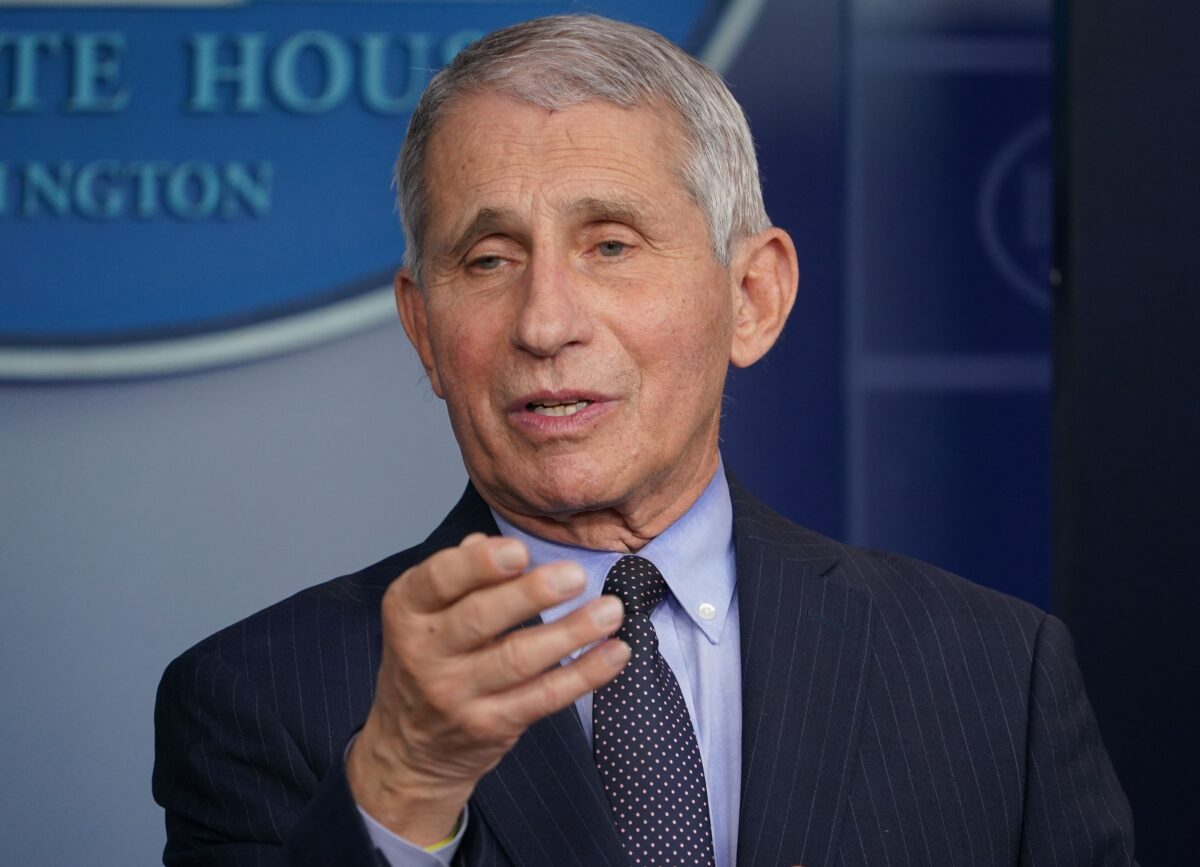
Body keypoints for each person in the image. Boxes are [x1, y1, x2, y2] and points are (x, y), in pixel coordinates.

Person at [153, 14, 1136, 867]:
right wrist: (403, 789)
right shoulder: (256, 698)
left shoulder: (995, 676)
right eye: (489, 260)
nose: (546, 323)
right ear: (423, 331)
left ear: (752, 297)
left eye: (611, 246)